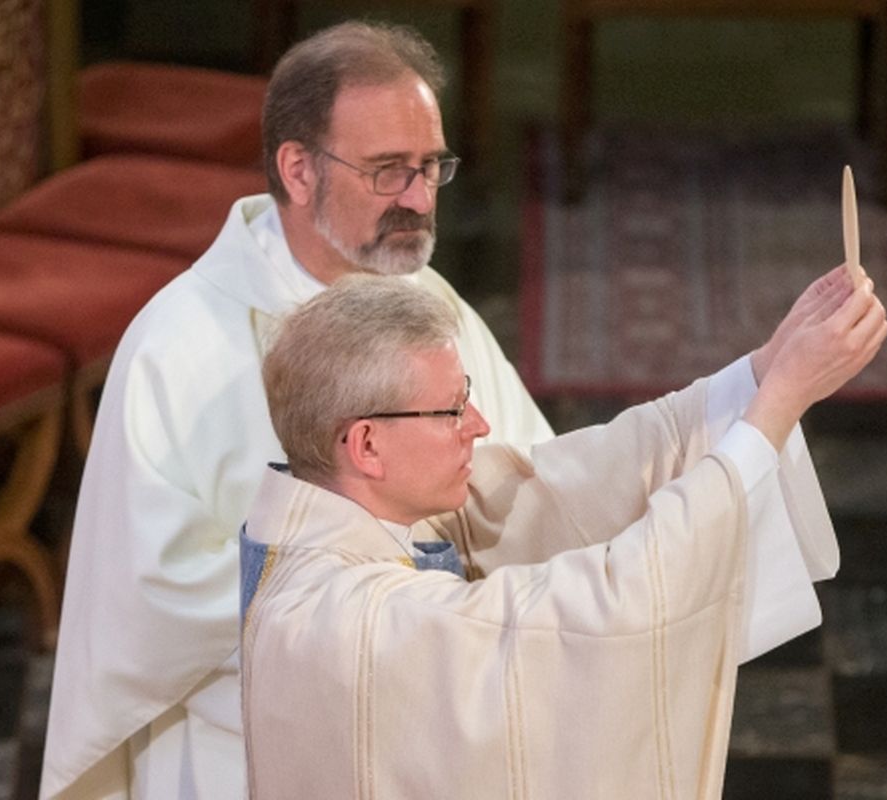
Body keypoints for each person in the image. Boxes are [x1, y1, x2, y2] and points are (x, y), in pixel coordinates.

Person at [39, 21, 553, 800]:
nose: (419, 199)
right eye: (388, 172)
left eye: (430, 167)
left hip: (424, 734)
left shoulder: (425, 305)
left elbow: (527, 479)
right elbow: (151, 600)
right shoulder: (178, 351)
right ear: (299, 170)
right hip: (251, 756)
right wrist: (379, 602)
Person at [241, 270, 887, 798]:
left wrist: (763, 370)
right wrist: (774, 410)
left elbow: (580, 478)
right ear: (367, 445)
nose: (481, 424)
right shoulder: (344, 624)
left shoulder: (361, 516)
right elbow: (610, 606)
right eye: (450, 410)